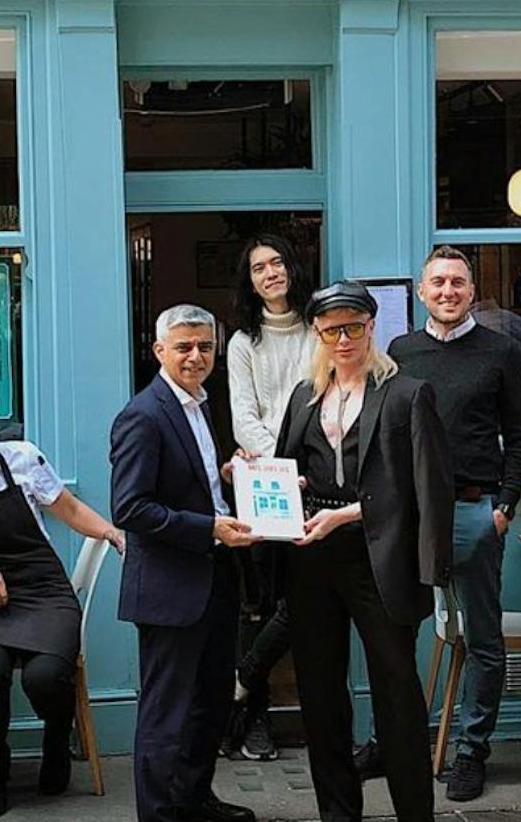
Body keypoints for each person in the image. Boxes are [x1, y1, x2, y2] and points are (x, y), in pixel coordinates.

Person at [273, 281, 454, 822]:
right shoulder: (304, 397)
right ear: (317, 333)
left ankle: (414, 814)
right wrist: (274, 486)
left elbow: (426, 490)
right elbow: (290, 469)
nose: (343, 338)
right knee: (321, 696)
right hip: (312, 560)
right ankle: (337, 813)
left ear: (372, 327)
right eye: (332, 330)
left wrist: (350, 515)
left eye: (353, 326)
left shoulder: (406, 393)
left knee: (397, 693)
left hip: (382, 556)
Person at [0, 377, 123, 819]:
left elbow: (66, 508)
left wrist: (109, 531)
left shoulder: (23, 459)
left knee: (45, 678)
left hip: (44, 591)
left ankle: (56, 735)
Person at [388, 245, 521, 801]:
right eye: (438, 282)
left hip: (476, 508)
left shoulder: (500, 350)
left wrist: (505, 506)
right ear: (422, 292)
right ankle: (394, 739)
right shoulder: (401, 351)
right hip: (412, 513)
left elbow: (519, 435)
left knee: (483, 640)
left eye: (458, 283)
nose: (448, 291)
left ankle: (472, 751)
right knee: (395, 630)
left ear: (472, 291)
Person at [111, 305, 257, 822]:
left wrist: (224, 475)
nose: (195, 356)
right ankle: (159, 813)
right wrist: (207, 528)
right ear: (159, 352)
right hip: (171, 585)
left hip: (215, 575)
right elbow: (130, 508)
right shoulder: (143, 414)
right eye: (184, 347)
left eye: (204, 347)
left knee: (211, 700)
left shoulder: (199, 404)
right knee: (166, 711)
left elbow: (190, 482)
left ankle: (194, 800)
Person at [223, 233, 313, 761]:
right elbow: (243, 417)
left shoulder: (318, 328)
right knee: (255, 605)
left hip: (318, 483)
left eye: (277, 262)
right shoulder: (241, 343)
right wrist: (284, 466)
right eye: (259, 268)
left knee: (302, 599)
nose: (271, 273)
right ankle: (253, 717)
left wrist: (305, 462)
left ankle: (246, 679)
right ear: (250, 280)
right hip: (265, 485)